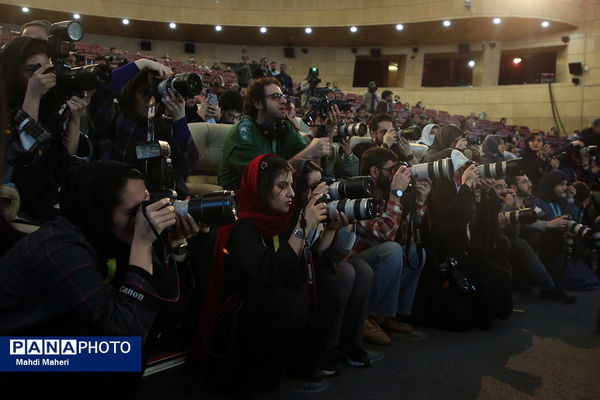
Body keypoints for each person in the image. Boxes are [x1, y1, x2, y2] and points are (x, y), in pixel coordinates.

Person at [0, 160, 197, 397]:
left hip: (47, 331)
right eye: (133, 211)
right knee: (111, 352)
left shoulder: (107, 235)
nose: (145, 216)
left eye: (147, 202)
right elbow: (127, 338)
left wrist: (174, 244)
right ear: (100, 210)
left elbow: (162, 309)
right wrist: (143, 242)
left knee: (137, 326)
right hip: (11, 353)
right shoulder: (60, 248)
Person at [200, 154, 329, 397]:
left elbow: (298, 265)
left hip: (264, 298)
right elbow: (268, 272)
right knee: (288, 302)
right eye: (282, 186)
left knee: (318, 285)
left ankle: (294, 366)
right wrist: (303, 227)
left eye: (291, 185)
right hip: (238, 312)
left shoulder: (280, 216)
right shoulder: (241, 225)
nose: (291, 193)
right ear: (260, 188)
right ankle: (257, 382)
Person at [1, 36, 93, 224]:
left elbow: (68, 164)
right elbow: (22, 155)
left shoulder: (52, 106)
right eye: (32, 70)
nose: (41, 78)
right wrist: (32, 97)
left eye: (46, 70)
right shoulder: (5, 107)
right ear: (11, 71)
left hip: (49, 210)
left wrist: (75, 119)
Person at [350, 146, 430, 344]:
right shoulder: (358, 194)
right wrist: (396, 194)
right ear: (374, 172)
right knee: (392, 250)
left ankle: (387, 315)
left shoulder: (390, 196)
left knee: (415, 253)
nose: (396, 175)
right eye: (391, 170)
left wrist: (419, 204)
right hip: (354, 262)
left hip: (379, 259)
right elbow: (386, 236)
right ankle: (367, 316)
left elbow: (405, 239)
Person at [88, 57, 199, 197]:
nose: (150, 100)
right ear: (131, 93)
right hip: (119, 196)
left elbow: (188, 166)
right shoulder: (115, 118)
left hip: (162, 198)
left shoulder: (167, 125)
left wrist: (180, 119)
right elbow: (102, 93)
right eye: (145, 93)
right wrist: (142, 64)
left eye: (156, 94)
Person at [217, 78, 329, 191]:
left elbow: (311, 165)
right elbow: (268, 178)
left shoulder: (282, 127)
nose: (284, 101)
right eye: (275, 97)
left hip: (277, 195)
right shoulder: (244, 133)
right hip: (241, 199)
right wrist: (309, 152)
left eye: (283, 96)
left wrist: (327, 129)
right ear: (259, 104)